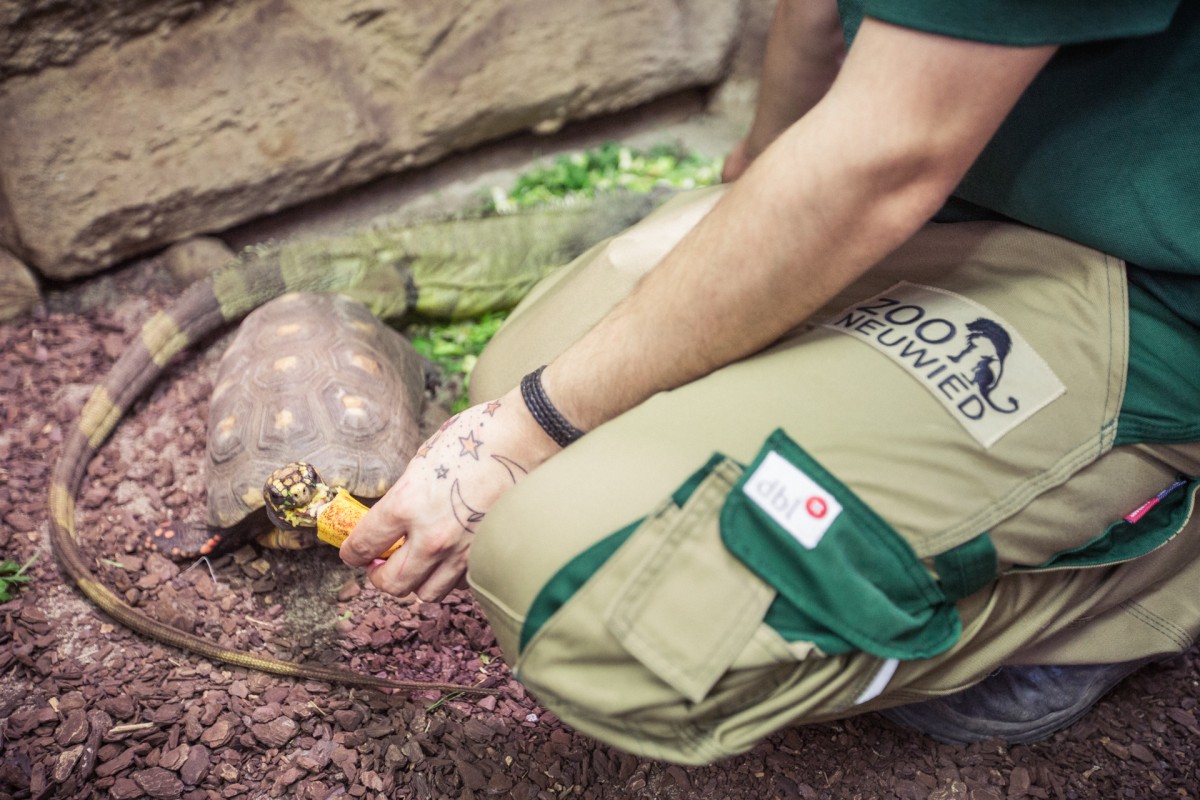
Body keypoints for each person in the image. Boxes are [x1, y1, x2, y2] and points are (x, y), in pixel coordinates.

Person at [340, 0, 1200, 764]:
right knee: (512, 377)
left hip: (1143, 279)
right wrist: (761, 172)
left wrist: (530, 427)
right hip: (953, 191)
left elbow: (887, 159)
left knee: (581, 602)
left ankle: (1146, 585)